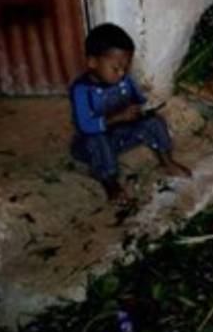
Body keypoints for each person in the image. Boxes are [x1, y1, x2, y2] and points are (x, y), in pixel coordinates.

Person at [69, 23, 191, 203]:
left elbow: (139, 100)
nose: (121, 73)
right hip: (90, 144)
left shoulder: (125, 81)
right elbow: (85, 125)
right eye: (115, 68)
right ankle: (110, 183)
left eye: (125, 68)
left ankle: (167, 162)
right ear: (92, 62)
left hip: (120, 135)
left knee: (154, 122)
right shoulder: (82, 90)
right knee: (98, 140)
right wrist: (118, 117)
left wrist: (145, 108)